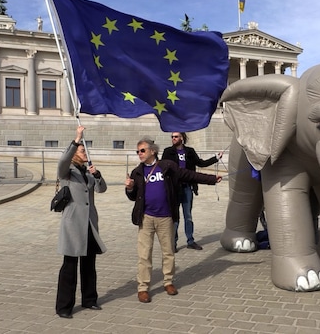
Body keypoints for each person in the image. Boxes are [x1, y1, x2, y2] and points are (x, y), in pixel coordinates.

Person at [125, 138, 222, 303]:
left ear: (152, 151)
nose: (139, 154)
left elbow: (190, 175)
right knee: (144, 254)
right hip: (146, 218)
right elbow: (134, 197)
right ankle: (143, 288)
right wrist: (129, 188)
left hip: (165, 217)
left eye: (142, 150)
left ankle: (168, 282)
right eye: (137, 151)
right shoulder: (137, 172)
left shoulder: (167, 167)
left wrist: (211, 179)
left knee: (168, 252)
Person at [55, 125, 107, 319]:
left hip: (89, 224)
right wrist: (76, 139)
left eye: (85, 149)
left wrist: (98, 175)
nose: (85, 152)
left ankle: (90, 299)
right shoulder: (67, 172)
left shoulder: (86, 173)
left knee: (89, 264)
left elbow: (102, 189)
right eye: (82, 150)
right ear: (75, 154)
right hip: (72, 224)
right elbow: (62, 160)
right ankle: (64, 307)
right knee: (69, 266)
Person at [161, 132, 223, 251]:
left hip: (187, 188)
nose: (173, 138)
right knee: (175, 217)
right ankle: (172, 243)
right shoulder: (168, 152)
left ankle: (190, 241)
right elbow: (163, 169)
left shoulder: (189, 151)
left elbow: (201, 163)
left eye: (176, 136)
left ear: (182, 138)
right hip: (174, 188)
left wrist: (216, 158)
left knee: (188, 216)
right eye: (172, 137)